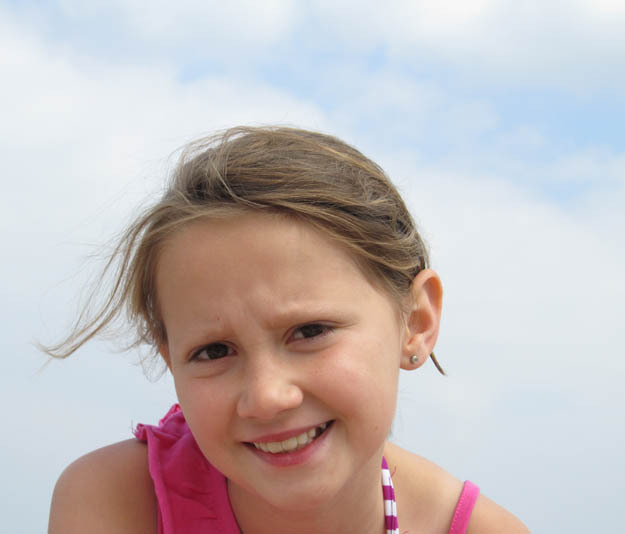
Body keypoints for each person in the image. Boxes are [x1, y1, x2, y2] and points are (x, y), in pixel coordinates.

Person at [46, 126, 529, 533]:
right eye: (214, 351)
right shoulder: (118, 503)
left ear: (417, 321)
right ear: (170, 359)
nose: (266, 397)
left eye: (310, 331)